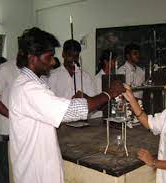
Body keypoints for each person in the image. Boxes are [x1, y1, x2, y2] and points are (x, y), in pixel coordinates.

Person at [9, 27, 124, 183]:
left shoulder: (34, 83)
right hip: (35, 171)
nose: (52, 62)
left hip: (43, 160)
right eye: (48, 57)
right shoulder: (27, 88)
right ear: (33, 57)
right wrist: (109, 93)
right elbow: (70, 110)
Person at [0, 56, 19, 183]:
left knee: (18, 170)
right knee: (7, 170)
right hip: (8, 128)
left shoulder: (33, 71)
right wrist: (14, 117)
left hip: (26, 131)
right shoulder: (6, 68)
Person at [47, 39, 96, 118]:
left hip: (82, 122)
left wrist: (85, 97)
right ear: (63, 54)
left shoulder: (85, 76)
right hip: (61, 122)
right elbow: (50, 104)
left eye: (76, 56)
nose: (73, 59)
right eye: (70, 55)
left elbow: (94, 101)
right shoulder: (52, 75)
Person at [93, 49, 118, 118]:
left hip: (110, 113)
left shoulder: (112, 77)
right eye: (113, 61)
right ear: (106, 62)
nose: (115, 63)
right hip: (99, 115)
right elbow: (99, 99)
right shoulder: (98, 78)